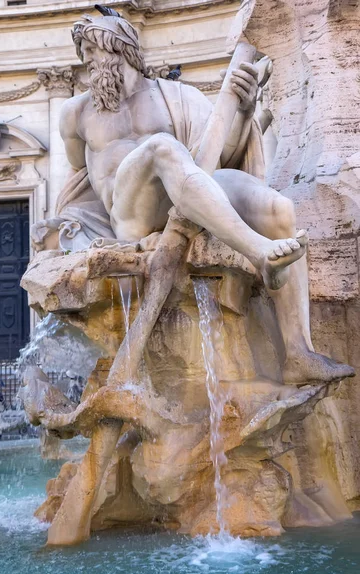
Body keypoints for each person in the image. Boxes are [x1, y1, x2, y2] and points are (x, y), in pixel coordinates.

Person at [31, 11, 353, 385]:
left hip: (192, 194)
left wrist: (245, 108)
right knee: (162, 147)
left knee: (278, 209)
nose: (85, 60)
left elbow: (220, 154)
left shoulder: (178, 97)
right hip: (132, 215)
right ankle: (259, 252)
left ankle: (298, 353)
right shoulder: (76, 113)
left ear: (118, 48)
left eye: (90, 49)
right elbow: (77, 174)